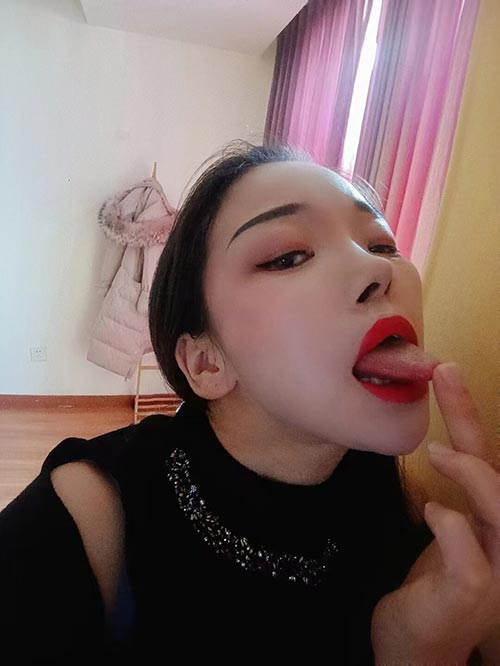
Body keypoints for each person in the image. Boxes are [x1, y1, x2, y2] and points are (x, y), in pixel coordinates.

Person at [1, 141, 498, 665]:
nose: (378, 271)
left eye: (382, 245)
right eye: (287, 257)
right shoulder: (85, 516)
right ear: (206, 363)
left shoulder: (412, 512)